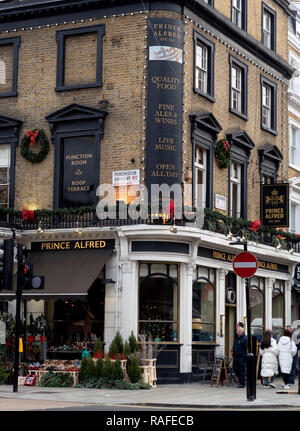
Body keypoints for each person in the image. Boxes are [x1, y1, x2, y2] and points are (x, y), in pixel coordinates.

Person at [232, 322, 248, 388]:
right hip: (235, 356)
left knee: (241, 370)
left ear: (242, 331)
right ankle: (240, 380)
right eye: (237, 330)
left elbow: (246, 348)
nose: (238, 332)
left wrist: (244, 356)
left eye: (239, 331)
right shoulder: (235, 338)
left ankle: (242, 383)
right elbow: (234, 346)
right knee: (235, 369)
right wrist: (233, 351)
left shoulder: (245, 338)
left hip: (242, 357)